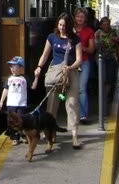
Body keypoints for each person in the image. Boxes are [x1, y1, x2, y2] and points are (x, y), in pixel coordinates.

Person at [34, 12, 84, 149]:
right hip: (55, 74)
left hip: (71, 73)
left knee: (72, 104)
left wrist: (71, 67)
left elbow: (80, 59)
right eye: (60, 25)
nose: (61, 28)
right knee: (51, 105)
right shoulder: (52, 37)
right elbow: (45, 55)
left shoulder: (76, 39)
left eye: (64, 25)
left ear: (69, 26)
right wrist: (39, 67)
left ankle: (74, 135)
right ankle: (51, 132)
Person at [95, 16, 119, 101]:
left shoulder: (115, 32)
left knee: (110, 78)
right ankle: (103, 96)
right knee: (103, 78)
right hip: (101, 58)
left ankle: (104, 97)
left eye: (107, 24)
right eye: (104, 25)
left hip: (113, 58)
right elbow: (94, 45)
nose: (106, 27)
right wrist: (99, 44)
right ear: (101, 25)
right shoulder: (98, 33)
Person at [0, 56, 29, 145]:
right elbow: (5, 89)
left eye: (14, 66)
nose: (12, 68)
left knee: (20, 120)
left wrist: (37, 77)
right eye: (10, 67)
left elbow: (33, 87)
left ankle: (22, 135)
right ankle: (15, 138)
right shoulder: (9, 78)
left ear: (20, 67)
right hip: (11, 104)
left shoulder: (25, 79)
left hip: (21, 104)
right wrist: (1, 101)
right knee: (11, 121)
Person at [74, 7, 96, 125]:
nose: (80, 19)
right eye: (78, 16)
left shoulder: (89, 31)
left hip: (84, 61)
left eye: (82, 17)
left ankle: (83, 114)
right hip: (72, 62)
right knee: (72, 88)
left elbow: (92, 49)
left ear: (85, 18)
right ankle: (74, 113)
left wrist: (84, 48)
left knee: (82, 88)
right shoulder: (70, 30)